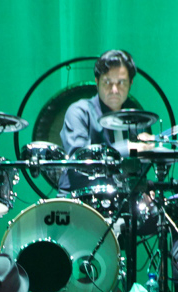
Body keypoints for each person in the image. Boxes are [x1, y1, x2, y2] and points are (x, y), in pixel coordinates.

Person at [59, 49, 154, 194]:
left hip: (121, 200)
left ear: (130, 83)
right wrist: (127, 148)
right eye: (107, 82)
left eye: (121, 83)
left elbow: (137, 173)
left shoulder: (137, 120)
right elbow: (79, 162)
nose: (114, 90)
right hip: (78, 200)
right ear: (97, 82)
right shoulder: (79, 112)